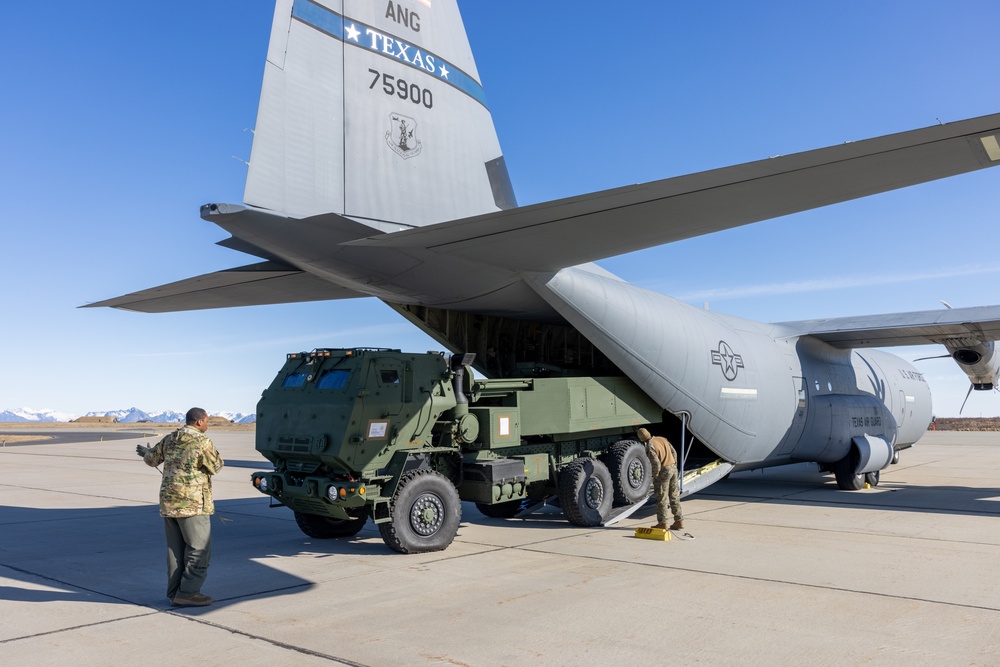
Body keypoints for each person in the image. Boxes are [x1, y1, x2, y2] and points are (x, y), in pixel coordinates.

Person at [137, 407, 224, 606]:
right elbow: (216, 466)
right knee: (198, 549)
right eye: (207, 421)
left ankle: (174, 592)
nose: (207, 424)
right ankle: (189, 592)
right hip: (192, 504)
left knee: (175, 550)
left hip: (169, 503)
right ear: (200, 422)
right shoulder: (202, 441)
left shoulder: (170, 438)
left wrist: (146, 452)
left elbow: (151, 460)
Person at [636, 427, 683, 530]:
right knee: (674, 495)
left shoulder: (649, 446)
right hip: (673, 468)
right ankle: (679, 521)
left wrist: (656, 475)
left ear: (641, 439)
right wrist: (674, 464)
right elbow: (674, 452)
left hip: (664, 471)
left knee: (662, 498)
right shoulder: (662, 439)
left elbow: (656, 463)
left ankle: (663, 523)